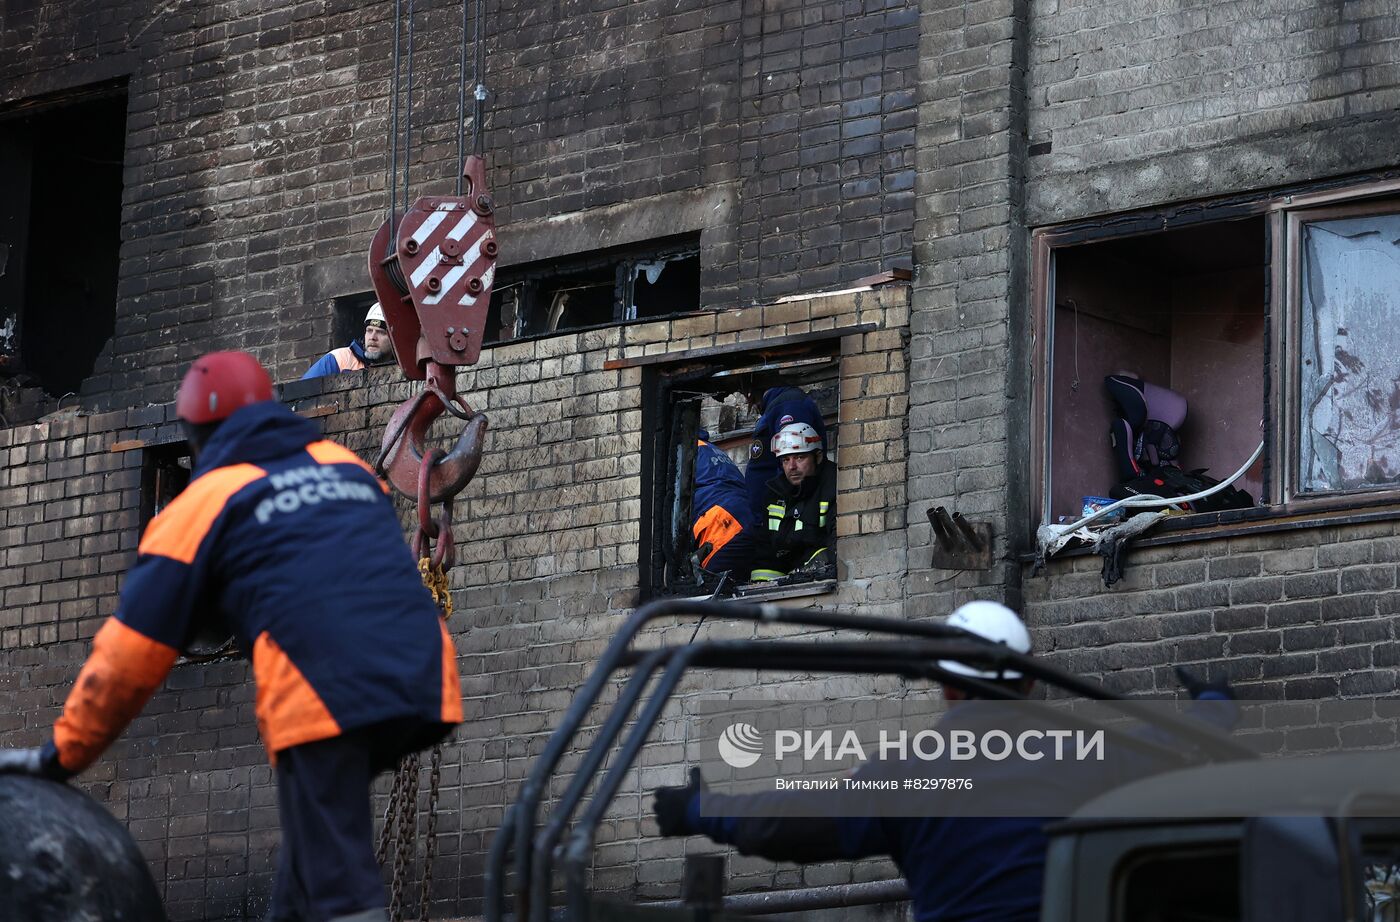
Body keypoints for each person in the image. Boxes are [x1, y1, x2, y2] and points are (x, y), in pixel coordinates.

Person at [0, 351, 462, 922]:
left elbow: (129, 657)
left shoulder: (203, 505)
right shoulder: (343, 469)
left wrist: (60, 756)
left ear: (201, 435)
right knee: (307, 873)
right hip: (422, 674)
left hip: (326, 695)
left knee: (341, 886)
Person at [651, 602, 1235, 922]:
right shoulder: (1091, 754)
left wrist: (702, 810)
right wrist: (1213, 707)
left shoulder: (907, 774)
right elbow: (1180, 749)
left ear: (946, 688)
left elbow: (794, 822)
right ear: (1030, 683)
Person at [752, 421, 837, 580]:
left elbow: (838, 546)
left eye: (799, 457)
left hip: (820, 582)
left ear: (817, 457)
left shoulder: (835, 486)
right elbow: (764, 551)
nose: (791, 466)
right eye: (785, 460)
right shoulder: (774, 495)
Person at [744, 386, 827, 524]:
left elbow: (796, 457)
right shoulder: (777, 406)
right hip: (770, 516)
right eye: (786, 460)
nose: (791, 465)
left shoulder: (789, 405)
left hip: (784, 515)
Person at [691, 431, 757, 580]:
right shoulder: (710, 448)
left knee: (709, 591)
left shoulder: (683, 451)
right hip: (749, 520)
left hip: (724, 529)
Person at [302, 302, 396, 379]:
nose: (372, 337)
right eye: (369, 331)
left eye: (380, 332)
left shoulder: (405, 368)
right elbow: (300, 393)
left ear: (394, 338)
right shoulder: (338, 359)